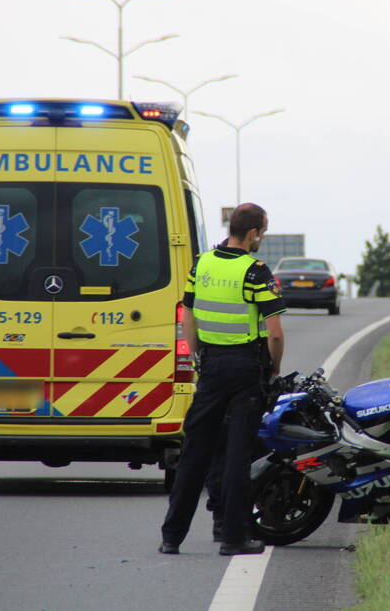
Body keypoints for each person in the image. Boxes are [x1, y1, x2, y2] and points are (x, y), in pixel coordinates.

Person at [160, 202, 285, 556]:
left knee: (195, 452)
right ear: (253, 233)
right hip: (245, 368)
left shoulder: (201, 263)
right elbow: (274, 333)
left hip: (211, 366)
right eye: (263, 230)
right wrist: (274, 368)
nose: (263, 236)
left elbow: (188, 314)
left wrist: (198, 355)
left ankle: (172, 536)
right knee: (237, 455)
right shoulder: (255, 271)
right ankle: (233, 537)